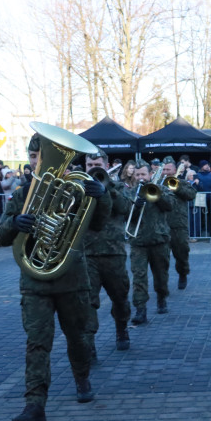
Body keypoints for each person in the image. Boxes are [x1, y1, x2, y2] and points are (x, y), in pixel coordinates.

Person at [0, 132, 109, 421]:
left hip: (72, 278)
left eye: (41, 157)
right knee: (37, 343)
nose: (37, 162)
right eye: (34, 157)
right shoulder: (22, 194)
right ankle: (35, 405)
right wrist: (13, 223)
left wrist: (102, 196)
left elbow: (98, 225)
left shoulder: (78, 189)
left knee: (79, 337)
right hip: (36, 282)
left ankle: (82, 379)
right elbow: (0, 233)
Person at [83, 150, 133, 358]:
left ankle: (121, 329)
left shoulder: (118, 185)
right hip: (87, 253)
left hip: (113, 252)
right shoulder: (79, 186)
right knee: (87, 302)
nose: (93, 167)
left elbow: (125, 207)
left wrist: (107, 187)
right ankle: (89, 343)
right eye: (89, 164)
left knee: (120, 298)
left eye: (97, 163)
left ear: (106, 165)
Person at [127, 162, 175, 325]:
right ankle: (141, 310)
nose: (141, 178)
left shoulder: (161, 188)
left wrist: (157, 195)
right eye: (138, 175)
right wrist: (135, 206)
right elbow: (125, 216)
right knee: (139, 276)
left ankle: (162, 297)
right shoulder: (131, 192)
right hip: (138, 242)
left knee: (161, 275)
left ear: (150, 175)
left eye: (143, 175)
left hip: (158, 240)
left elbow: (170, 206)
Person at [162, 158, 197, 289]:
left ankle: (183, 273)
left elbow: (192, 194)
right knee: (161, 258)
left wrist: (177, 188)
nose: (166, 172)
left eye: (168, 170)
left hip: (178, 225)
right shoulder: (157, 183)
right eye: (164, 170)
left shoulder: (181, 182)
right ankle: (162, 283)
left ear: (175, 170)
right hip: (161, 226)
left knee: (181, 254)